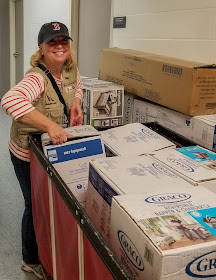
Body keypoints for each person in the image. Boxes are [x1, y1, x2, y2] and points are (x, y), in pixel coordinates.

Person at [1, 21, 84, 279]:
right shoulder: (36, 77)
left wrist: (76, 105)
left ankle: (48, 248)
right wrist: (49, 124)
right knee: (33, 205)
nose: (59, 46)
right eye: (52, 42)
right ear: (42, 48)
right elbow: (9, 100)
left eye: (64, 41)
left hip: (51, 151)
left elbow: (77, 87)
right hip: (27, 153)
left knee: (48, 203)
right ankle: (30, 259)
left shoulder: (70, 69)